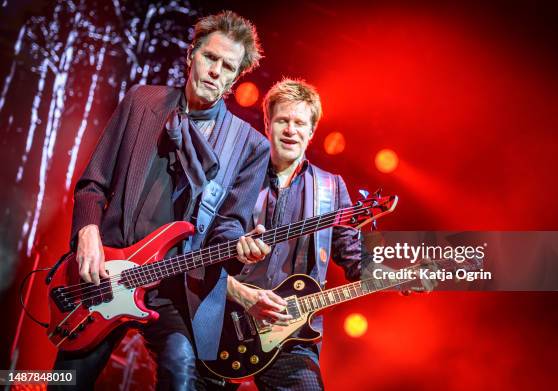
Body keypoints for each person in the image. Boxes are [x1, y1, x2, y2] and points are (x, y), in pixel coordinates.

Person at [51, 11, 271, 390]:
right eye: (210, 58)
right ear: (191, 56)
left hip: (176, 290)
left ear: (236, 78)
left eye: (227, 67)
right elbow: (92, 184)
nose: (216, 71)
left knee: (180, 376)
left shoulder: (250, 146)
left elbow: (228, 227)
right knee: (61, 383)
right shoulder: (141, 102)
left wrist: (239, 249)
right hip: (107, 274)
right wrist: (87, 232)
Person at [204, 78, 362, 390]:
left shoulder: (331, 188)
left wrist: (399, 270)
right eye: (283, 121)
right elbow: (199, 245)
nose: (291, 130)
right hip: (221, 321)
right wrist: (238, 292)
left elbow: (356, 256)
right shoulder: (236, 175)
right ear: (267, 124)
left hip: (293, 334)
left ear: (312, 132)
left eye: (300, 122)